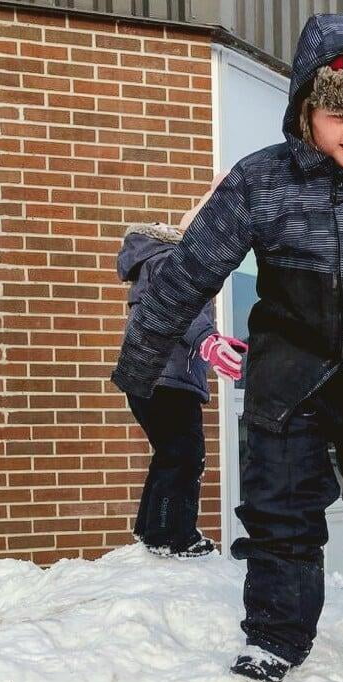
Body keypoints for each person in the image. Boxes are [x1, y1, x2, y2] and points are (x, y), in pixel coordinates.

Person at [110, 14, 343, 682]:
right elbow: (191, 270)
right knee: (280, 510)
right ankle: (275, 633)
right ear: (306, 107)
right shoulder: (261, 179)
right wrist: (142, 361)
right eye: (338, 115)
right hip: (289, 368)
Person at [117, 176, 247, 558]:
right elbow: (177, 306)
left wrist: (214, 338)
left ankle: (151, 528)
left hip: (155, 376)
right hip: (164, 378)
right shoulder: (171, 261)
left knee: (171, 453)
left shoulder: (162, 260)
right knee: (185, 455)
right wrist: (209, 340)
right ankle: (171, 537)